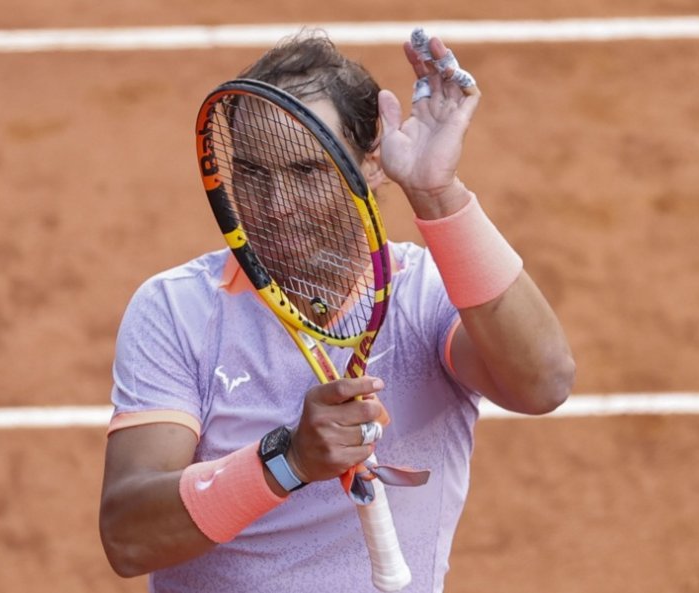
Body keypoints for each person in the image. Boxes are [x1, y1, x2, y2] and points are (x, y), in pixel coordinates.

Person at [99, 29, 575, 593]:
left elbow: (543, 384)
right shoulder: (177, 309)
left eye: (307, 171)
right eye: (252, 174)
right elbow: (129, 539)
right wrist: (288, 460)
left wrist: (436, 193)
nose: (276, 206)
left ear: (371, 163)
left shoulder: (430, 293)